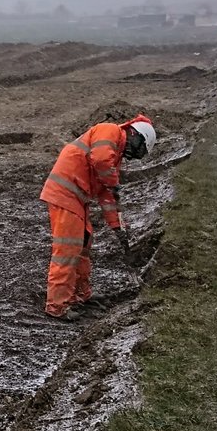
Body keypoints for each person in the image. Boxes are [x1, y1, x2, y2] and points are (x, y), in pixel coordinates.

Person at [39, 114, 156, 320]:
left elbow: (107, 195)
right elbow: (101, 160)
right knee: (67, 250)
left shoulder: (114, 157)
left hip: (76, 198)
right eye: (137, 150)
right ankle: (57, 306)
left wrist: (117, 227)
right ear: (135, 136)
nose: (132, 156)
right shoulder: (110, 130)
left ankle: (80, 295)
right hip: (65, 194)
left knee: (83, 246)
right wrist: (112, 181)